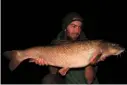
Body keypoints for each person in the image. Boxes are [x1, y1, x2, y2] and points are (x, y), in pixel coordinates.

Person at [33, 12, 99, 84]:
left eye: (79, 27)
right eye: (73, 26)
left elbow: (90, 80)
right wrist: (46, 61)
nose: (77, 31)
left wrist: (89, 63)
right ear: (65, 27)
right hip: (66, 82)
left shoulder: (89, 46)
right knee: (49, 80)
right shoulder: (56, 44)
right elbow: (54, 73)